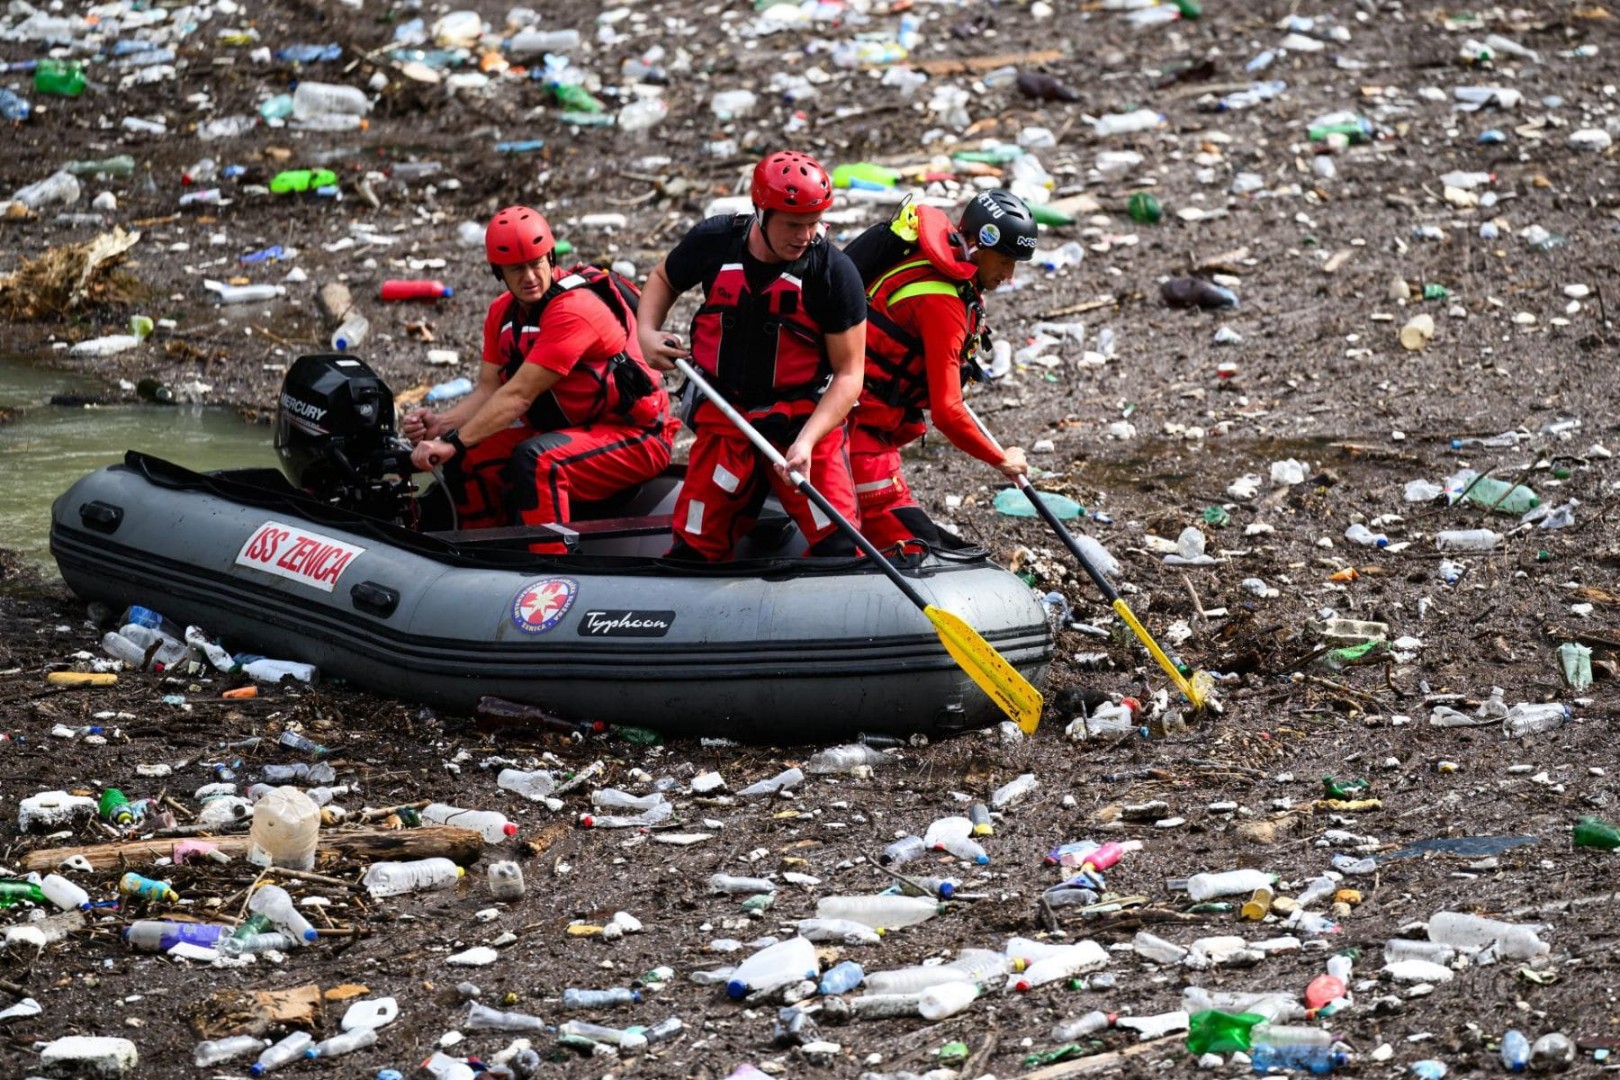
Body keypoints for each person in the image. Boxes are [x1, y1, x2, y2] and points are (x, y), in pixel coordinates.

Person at [636, 150, 868, 561]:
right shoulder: (716, 240)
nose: (805, 236)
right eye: (794, 224)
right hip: (729, 418)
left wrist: (807, 442)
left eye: (814, 223)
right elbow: (662, 278)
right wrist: (647, 332)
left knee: (839, 545)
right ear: (761, 211)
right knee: (693, 547)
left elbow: (850, 375)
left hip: (802, 422)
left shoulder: (834, 272)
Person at [405, 205, 678, 551]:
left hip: (637, 437)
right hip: (570, 429)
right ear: (498, 272)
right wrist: (442, 425)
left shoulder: (574, 310)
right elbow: (491, 389)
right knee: (467, 456)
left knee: (538, 460)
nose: (530, 277)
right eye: (517, 269)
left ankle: (551, 568)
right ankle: (477, 551)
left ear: (551, 258)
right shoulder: (501, 313)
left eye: (536, 263)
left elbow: (518, 396)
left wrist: (453, 440)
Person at [842, 189, 1036, 550]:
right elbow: (948, 413)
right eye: (1005, 260)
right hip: (855, 442)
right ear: (979, 244)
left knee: (938, 544)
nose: (1009, 275)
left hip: (867, 433)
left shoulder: (937, 262)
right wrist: (1001, 460)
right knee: (916, 549)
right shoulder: (943, 303)